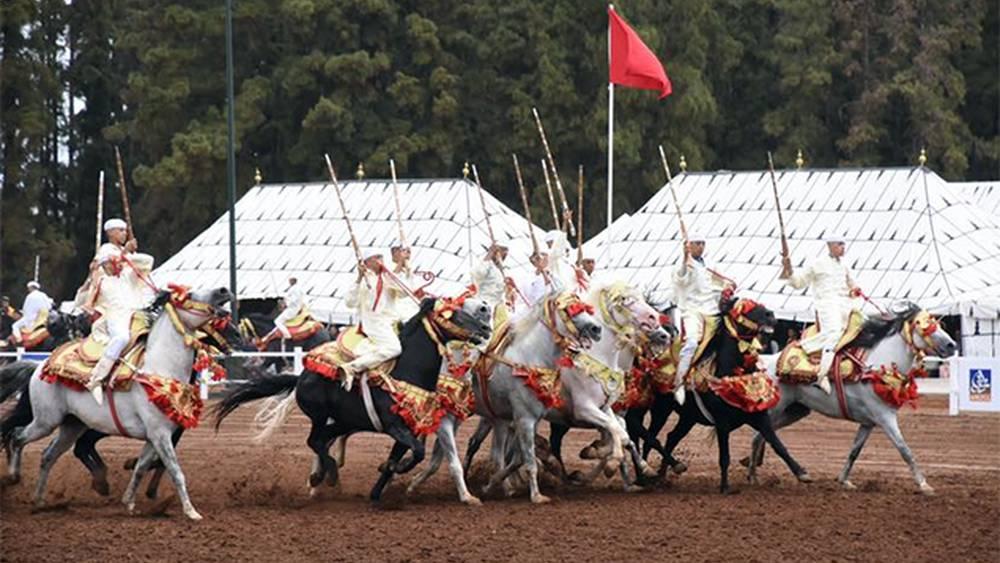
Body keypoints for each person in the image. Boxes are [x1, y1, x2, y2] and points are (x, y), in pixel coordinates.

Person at [83, 218, 155, 405]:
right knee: (122, 338)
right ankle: (96, 379)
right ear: (111, 233)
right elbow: (110, 267)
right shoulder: (106, 250)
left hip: (132, 306)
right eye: (121, 231)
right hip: (114, 308)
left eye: (125, 231)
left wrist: (131, 255)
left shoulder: (125, 254)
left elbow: (143, 265)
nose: (124, 233)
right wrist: (126, 251)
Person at [781, 235, 861, 394]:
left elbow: (853, 285)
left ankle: (853, 363)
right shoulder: (816, 264)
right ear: (830, 245)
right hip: (827, 304)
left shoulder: (845, 265)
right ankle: (821, 374)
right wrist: (788, 270)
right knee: (833, 334)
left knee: (861, 326)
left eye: (844, 244)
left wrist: (854, 290)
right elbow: (798, 283)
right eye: (839, 244)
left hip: (846, 305)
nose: (843, 247)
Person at [672, 234, 735, 405]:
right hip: (692, 311)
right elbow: (681, 277)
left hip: (712, 310)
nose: (700, 246)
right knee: (692, 342)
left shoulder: (710, 264)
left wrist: (727, 287)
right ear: (689, 246)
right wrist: (685, 258)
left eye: (702, 243)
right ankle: (679, 382)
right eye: (696, 244)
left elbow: (721, 282)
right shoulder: (683, 266)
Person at [341, 250, 404, 390]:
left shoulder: (387, 277)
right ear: (367, 263)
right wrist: (359, 278)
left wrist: (401, 263)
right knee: (394, 348)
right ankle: (352, 367)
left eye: (381, 257)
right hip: (375, 323)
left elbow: (404, 292)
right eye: (376, 258)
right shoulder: (363, 281)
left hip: (393, 321)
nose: (380, 260)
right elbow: (350, 303)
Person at [471, 240, 511, 325]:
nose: (504, 256)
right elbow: (478, 274)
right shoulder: (486, 264)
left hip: (499, 307)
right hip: (483, 303)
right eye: (503, 251)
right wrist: (490, 253)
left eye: (506, 253)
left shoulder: (504, 270)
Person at [388, 240, 419, 323]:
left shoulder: (409, 269)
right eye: (405, 251)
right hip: (401, 311)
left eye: (409, 251)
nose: (408, 254)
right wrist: (401, 262)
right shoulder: (389, 268)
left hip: (415, 306)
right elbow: (394, 283)